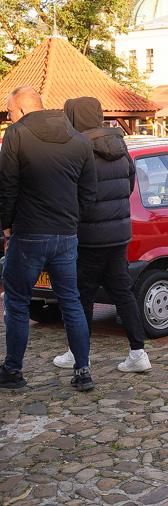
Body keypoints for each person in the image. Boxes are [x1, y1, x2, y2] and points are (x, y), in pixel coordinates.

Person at [0, 86, 98, 391]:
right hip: (66, 235)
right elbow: (89, 193)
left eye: (9, 111)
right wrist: (71, 220)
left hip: (28, 232)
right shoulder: (78, 140)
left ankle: (13, 371)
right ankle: (82, 371)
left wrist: (5, 225)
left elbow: (6, 186)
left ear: (21, 110)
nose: (8, 116)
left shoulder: (15, 135)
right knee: (71, 302)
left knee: (16, 301)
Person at [54, 97, 151, 373]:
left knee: (82, 296)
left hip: (88, 237)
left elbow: (72, 194)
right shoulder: (121, 146)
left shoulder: (77, 149)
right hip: (119, 235)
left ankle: (77, 352)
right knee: (123, 293)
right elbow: (129, 185)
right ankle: (138, 352)